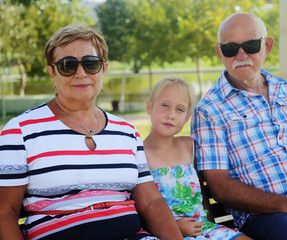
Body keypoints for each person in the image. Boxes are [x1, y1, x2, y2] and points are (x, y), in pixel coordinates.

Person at [0, 25, 184, 240]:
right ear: (52, 72)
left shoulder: (126, 132)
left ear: (103, 69)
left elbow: (150, 201)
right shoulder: (20, 131)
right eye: (67, 65)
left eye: (90, 64)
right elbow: (6, 212)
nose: (80, 73)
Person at [191, 12, 287, 240]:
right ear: (219, 52)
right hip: (266, 215)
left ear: (266, 46)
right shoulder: (209, 110)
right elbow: (220, 187)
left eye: (250, 45)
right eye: (230, 48)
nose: (241, 55)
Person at [144, 76, 251, 239]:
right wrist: (174, 227)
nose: (171, 115)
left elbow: (202, 196)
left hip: (203, 229)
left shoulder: (189, 146)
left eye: (180, 109)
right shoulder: (139, 153)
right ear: (149, 106)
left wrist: (210, 227)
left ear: (187, 117)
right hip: (164, 233)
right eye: (165, 105)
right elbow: (140, 208)